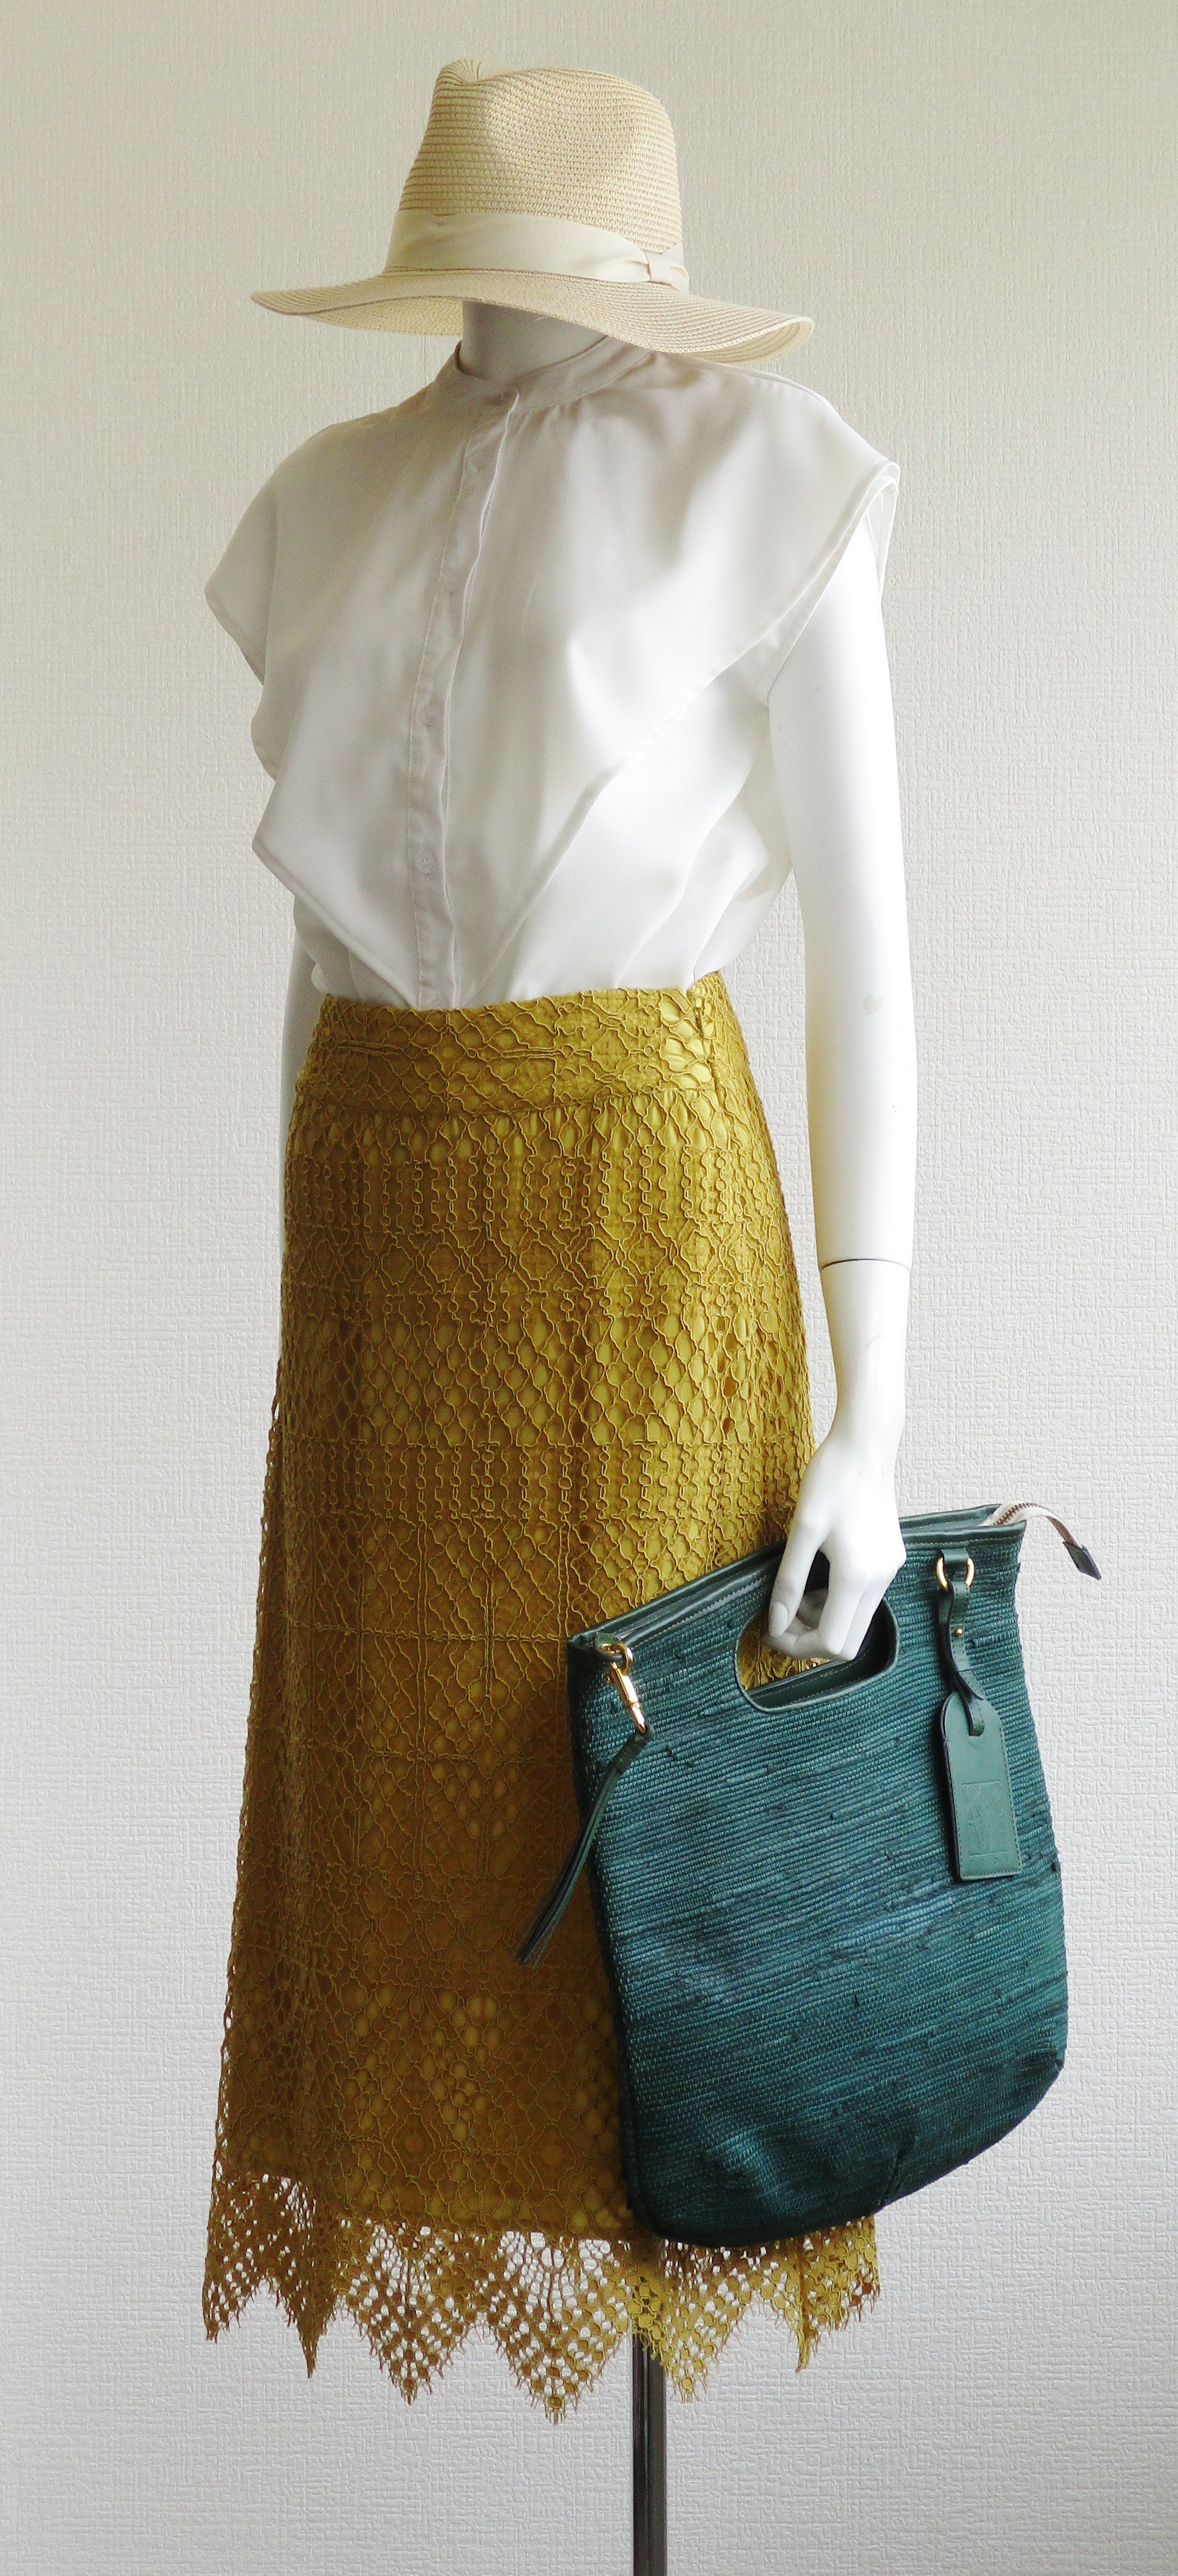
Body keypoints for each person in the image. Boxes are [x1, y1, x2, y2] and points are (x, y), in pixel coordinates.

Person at [202, 59, 917, 2418]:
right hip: (375, 1250)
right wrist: (297, 1303)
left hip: (639, 1237)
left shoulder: (765, 478)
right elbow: (319, 950)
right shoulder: (326, 501)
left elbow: (867, 963)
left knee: (659, 1872)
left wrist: (872, 1419)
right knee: (409, 1882)